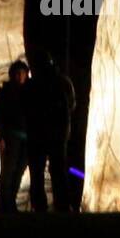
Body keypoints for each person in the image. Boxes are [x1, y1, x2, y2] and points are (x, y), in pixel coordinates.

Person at [24, 52, 77, 212]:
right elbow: (72, 104)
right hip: (56, 134)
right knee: (58, 171)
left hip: (39, 134)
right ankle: (62, 205)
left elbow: (25, 107)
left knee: (38, 171)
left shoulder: (33, 84)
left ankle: (40, 205)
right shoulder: (62, 82)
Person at [0, 60, 35, 212]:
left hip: (27, 138)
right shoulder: (4, 94)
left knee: (19, 171)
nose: (20, 76)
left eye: (22, 73)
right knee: (8, 171)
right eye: (17, 73)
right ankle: (4, 203)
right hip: (11, 137)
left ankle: (10, 200)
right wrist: (0, 137)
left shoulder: (30, 93)